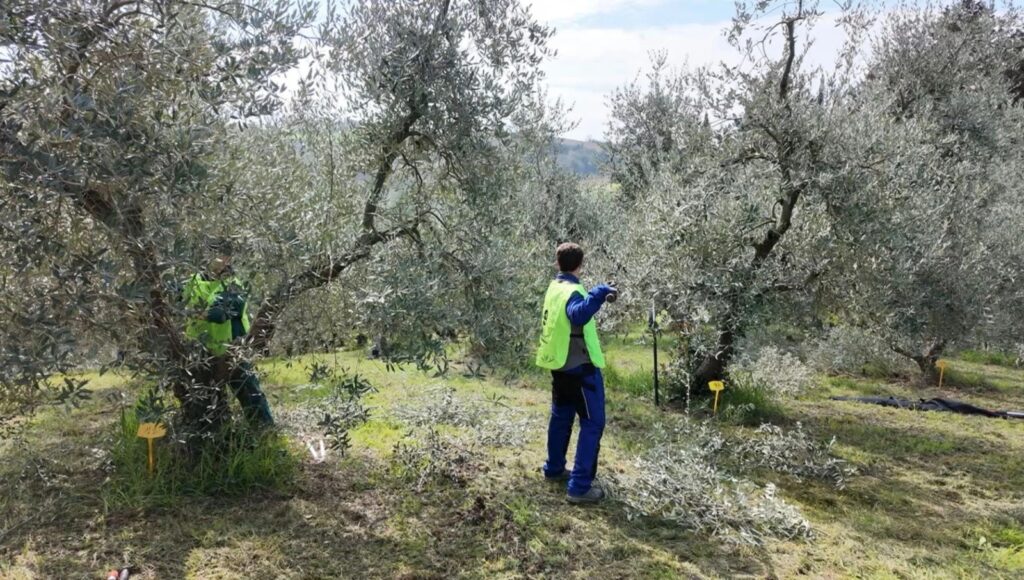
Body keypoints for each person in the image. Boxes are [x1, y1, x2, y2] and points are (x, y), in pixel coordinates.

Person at [536, 242, 616, 504]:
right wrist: (598, 294)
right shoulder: (573, 291)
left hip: (558, 365)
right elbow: (578, 315)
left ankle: (554, 469)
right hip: (581, 369)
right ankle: (579, 487)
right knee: (593, 424)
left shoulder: (554, 288)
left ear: (557, 263)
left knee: (561, 417)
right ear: (580, 265)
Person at [182, 243, 274, 426]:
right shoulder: (192, 281)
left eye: (222, 255)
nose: (217, 258)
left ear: (228, 260)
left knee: (250, 394)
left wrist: (190, 312)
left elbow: (220, 314)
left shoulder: (234, 285)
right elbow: (174, 301)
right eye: (213, 253)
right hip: (200, 353)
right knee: (206, 401)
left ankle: (266, 433)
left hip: (232, 350)